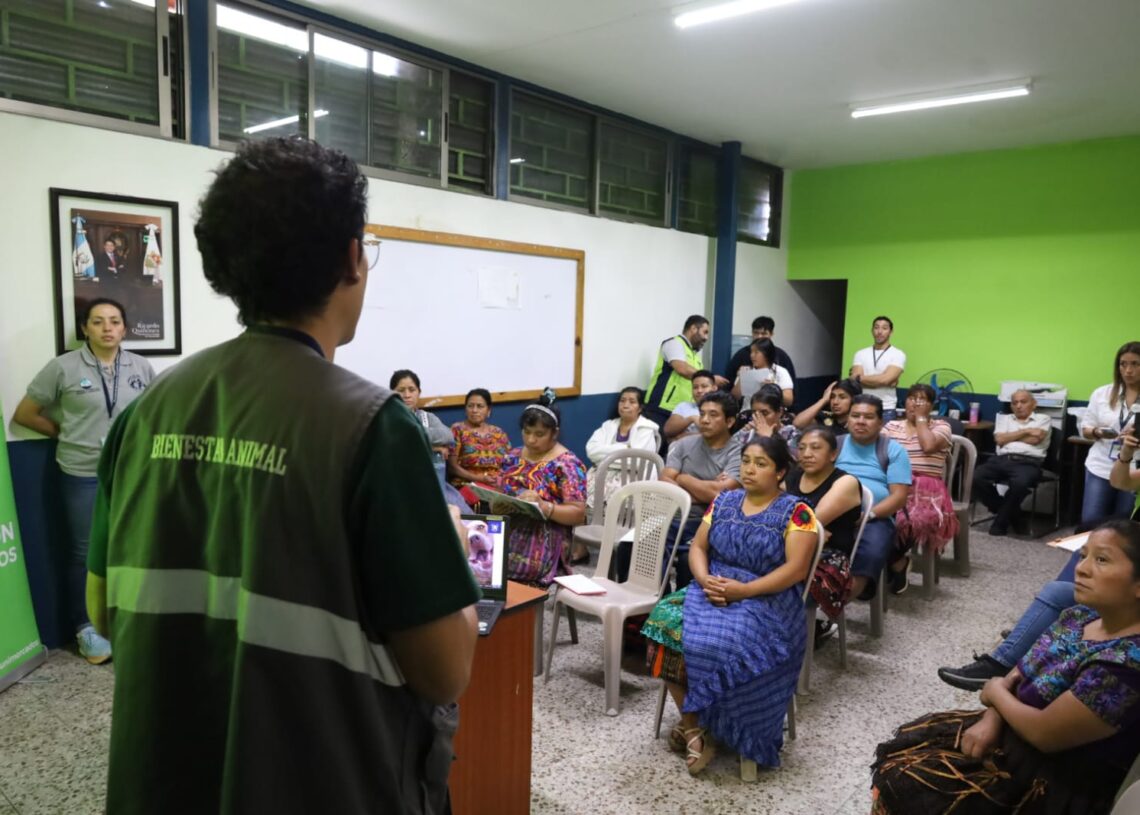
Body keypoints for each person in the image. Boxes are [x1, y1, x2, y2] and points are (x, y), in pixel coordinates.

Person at [84, 138, 480, 814]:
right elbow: (445, 671)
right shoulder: (375, 429)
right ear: (352, 259)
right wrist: (451, 544)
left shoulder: (146, 412)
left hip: (162, 781)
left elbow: (102, 611)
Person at [872, 520, 1140, 815]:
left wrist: (994, 692)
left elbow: (1044, 734)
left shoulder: (1127, 664)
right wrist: (992, 717)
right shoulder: (1080, 617)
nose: (1082, 568)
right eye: (1083, 555)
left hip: (1051, 780)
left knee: (907, 787)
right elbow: (1020, 672)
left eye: (1101, 560)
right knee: (899, 760)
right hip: (1011, 734)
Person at [642, 436, 819, 775]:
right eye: (747, 461)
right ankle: (694, 727)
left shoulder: (798, 512)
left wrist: (745, 590)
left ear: (780, 472)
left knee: (721, 643)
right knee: (661, 626)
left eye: (761, 464)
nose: (749, 469)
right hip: (713, 587)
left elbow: (796, 570)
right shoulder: (724, 501)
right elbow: (698, 548)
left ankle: (716, 721)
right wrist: (704, 579)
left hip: (769, 599)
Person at [12, 297, 154, 665]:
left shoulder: (140, 366)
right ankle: (86, 628)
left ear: (124, 328)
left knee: (131, 547)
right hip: (81, 473)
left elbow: (151, 415)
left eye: (115, 321)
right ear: (84, 328)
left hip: (130, 473)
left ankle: (126, 619)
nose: (107, 328)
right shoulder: (63, 367)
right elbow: (25, 414)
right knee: (83, 552)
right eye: (98, 321)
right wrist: (63, 433)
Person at [499, 395, 587, 586]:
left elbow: (578, 514)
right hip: (511, 530)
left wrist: (545, 506)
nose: (531, 440)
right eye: (526, 432)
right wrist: (498, 504)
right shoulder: (512, 457)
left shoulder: (567, 465)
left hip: (545, 541)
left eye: (539, 434)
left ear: (554, 433)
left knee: (507, 573)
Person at [784, 426, 864, 637]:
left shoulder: (846, 482)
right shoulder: (793, 475)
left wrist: (809, 530)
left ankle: (803, 630)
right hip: (790, 546)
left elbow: (811, 523)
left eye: (815, 448)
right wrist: (808, 531)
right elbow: (774, 514)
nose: (806, 454)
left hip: (828, 558)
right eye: (802, 448)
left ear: (833, 454)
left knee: (773, 580)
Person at [835, 395, 912, 597]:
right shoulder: (834, 446)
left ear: (880, 423)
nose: (860, 421)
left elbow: (898, 497)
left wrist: (868, 515)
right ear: (847, 419)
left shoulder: (893, 451)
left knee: (871, 550)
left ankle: (840, 603)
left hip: (875, 517)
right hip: (833, 513)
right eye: (855, 416)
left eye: (868, 417)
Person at [578, 387, 660, 562]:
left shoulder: (646, 429)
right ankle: (581, 547)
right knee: (577, 490)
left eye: (632, 401)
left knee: (617, 493)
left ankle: (618, 546)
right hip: (603, 473)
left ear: (640, 407)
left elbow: (636, 461)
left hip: (633, 476)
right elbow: (591, 451)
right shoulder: (608, 426)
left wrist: (607, 456)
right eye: (622, 400)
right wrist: (624, 449)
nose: (625, 405)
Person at [884, 383, 958, 563]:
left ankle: (895, 561)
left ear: (931, 406)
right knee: (875, 516)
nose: (916, 403)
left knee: (910, 521)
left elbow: (928, 446)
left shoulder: (942, 427)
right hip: (893, 484)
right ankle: (894, 564)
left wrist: (921, 419)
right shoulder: (891, 426)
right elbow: (878, 454)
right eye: (911, 398)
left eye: (922, 400)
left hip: (926, 490)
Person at [973, 389, 1052, 536]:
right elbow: (999, 439)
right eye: (1015, 403)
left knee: (1020, 484)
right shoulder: (1005, 419)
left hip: (1028, 462)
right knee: (975, 477)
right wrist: (1026, 431)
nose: (1018, 406)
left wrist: (1010, 436)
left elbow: (1035, 439)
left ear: (1034, 404)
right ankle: (1014, 515)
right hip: (1001, 460)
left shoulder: (1043, 419)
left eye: (1023, 402)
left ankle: (1000, 524)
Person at [391, 369, 470, 510]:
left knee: (465, 515)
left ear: (419, 392)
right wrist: (432, 446)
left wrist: (414, 438)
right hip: (400, 486)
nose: (407, 395)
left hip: (436, 486)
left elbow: (447, 435)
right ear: (392, 393)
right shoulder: (387, 418)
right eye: (401, 390)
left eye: (412, 390)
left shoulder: (428, 418)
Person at [1079, 341, 1140, 524]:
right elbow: (1085, 428)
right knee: (1091, 520)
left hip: (1132, 469)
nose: (1128, 370)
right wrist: (1098, 432)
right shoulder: (1102, 393)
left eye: (1135, 364)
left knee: (1124, 523)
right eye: (1123, 364)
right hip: (1101, 465)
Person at [644, 315, 727, 428]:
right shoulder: (674, 343)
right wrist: (711, 379)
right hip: (661, 409)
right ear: (693, 328)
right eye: (705, 332)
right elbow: (681, 368)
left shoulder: (696, 357)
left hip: (681, 412)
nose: (706, 338)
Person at [448, 387, 511, 493]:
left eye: (480, 406)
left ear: (488, 410)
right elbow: (452, 467)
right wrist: (480, 479)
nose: (474, 410)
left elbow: (509, 463)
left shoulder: (498, 432)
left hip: (497, 487)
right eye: (470, 406)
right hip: (467, 485)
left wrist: (500, 480)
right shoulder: (457, 430)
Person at [850, 316, 906, 412]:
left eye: (884, 328)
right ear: (872, 331)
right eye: (876, 327)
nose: (879, 331)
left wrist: (860, 378)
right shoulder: (860, 353)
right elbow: (855, 383)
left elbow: (885, 380)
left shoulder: (898, 354)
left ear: (891, 332)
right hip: (862, 405)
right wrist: (883, 381)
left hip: (886, 407)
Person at [723, 316, 797, 385]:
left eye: (764, 333)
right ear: (752, 333)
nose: (759, 337)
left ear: (771, 334)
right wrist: (740, 378)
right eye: (756, 333)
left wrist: (773, 386)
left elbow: (792, 387)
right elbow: (728, 383)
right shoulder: (741, 354)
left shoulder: (781, 356)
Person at [733, 386, 800, 459]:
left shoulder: (792, 434)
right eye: (755, 413)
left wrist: (768, 438)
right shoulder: (747, 433)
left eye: (765, 413)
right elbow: (731, 457)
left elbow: (792, 461)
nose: (758, 418)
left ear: (780, 412)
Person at [732, 338, 794, 407]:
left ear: (766, 354)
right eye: (751, 352)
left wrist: (773, 388)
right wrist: (742, 378)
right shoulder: (747, 370)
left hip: (772, 411)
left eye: (756, 352)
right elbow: (734, 397)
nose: (752, 355)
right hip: (748, 410)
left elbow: (789, 401)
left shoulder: (780, 371)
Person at [662, 369, 719, 443]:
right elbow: (668, 430)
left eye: (704, 386)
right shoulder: (683, 406)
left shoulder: (720, 408)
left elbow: (717, 437)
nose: (699, 390)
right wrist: (691, 419)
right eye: (695, 387)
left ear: (714, 388)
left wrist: (683, 437)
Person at [792, 378, 861, 435]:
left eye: (842, 397)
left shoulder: (860, 422)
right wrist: (824, 400)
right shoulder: (824, 417)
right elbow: (798, 424)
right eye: (832, 397)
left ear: (854, 399)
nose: (835, 402)